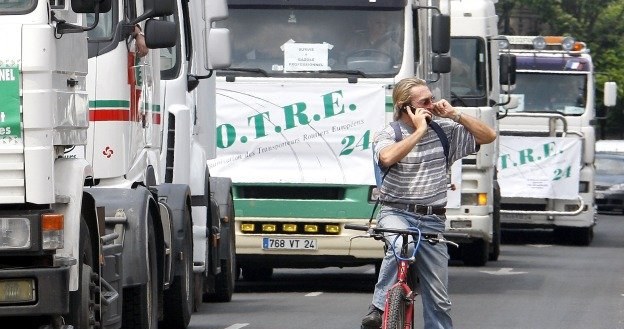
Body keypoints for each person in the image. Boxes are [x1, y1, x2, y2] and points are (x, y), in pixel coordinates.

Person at [361, 77, 496, 329]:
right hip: (396, 212)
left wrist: (456, 115)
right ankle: (378, 308)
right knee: (404, 241)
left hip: (432, 219)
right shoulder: (389, 133)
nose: (431, 105)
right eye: (424, 102)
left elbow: (489, 135)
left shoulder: (444, 130)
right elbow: (387, 157)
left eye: (432, 99)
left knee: (439, 299)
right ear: (406, 107)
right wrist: (419, 130)